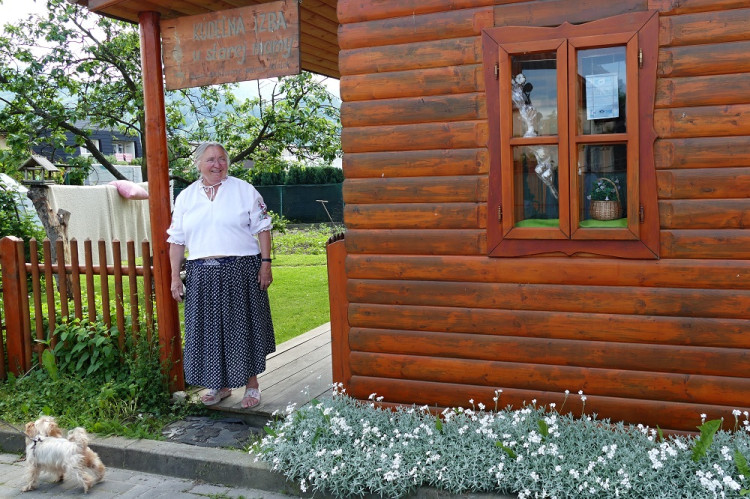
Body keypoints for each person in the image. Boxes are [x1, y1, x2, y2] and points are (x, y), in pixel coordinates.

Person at [167, 142, 275, 409]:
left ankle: (252, 385)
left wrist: (266, 264)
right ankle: (218, 385)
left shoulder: (244, 190)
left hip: (241, 270)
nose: (217, 164)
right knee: (208, 331)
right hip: (201, 273)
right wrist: (174, 277)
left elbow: (263, 228)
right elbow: (177, 240)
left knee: (243, 329)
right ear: (198, 164)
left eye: (222, 159)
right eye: (210, 160)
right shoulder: (186, 197)